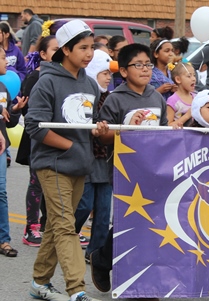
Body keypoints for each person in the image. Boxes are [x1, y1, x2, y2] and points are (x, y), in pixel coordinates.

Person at [25, 19, 108, 301]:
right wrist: (70, 145)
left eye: (91, 48)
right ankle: (77, 289)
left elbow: (94, 124)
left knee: (57, 227)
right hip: (52, 165)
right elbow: (34, 126)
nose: (89, 53)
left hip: (80, 166)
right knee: (64, 226)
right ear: (66, 49)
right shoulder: (47, 81)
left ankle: (39, 282)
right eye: (83, 48)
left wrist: (101, 131)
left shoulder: (91, 84)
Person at [90, 43, 168, 293]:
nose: (145, 69)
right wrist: (126, 127)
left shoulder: (156, 97)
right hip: (125, 171)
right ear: (123, 71)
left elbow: (165, 131)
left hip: (154, 169)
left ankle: (144, 280)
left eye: (148, 64)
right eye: (138, 65)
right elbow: (103, 138)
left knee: (151, 222)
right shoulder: (116, 99)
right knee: (131, 222)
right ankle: (104, 260)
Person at [75, 49, 118, 262]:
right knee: (84, 204)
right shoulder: (86, 97)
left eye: (110, 74)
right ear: (93, 73)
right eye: (104, 73)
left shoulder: (112, 98)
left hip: (106, 159)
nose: (109, 78)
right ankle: (65, 236)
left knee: (103, 212)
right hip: (86, 158)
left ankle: (96, 253)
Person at [19, 32, 59, 247]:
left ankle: (52, 225)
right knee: (37, 183)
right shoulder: (36, 77)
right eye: (54, 49)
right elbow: (27, 110)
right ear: (43, 54)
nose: (60, 53)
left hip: (59, 136)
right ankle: (31, 227)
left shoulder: (66, 77)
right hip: (38, 138)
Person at [0, 45, 27, 258]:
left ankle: (4, 239)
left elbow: (7, 123)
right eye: (2, 58)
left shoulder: (2, 87)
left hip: (1, 148)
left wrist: (14, 111)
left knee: (1, 192)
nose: (6, 62)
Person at [166, 62, 196, 127]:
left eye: (194, 75)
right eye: (189, 76)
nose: (193, 79)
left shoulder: (196, 98)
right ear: (178, 79)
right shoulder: (172, 100)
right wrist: (187, 115)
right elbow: (168, 125)